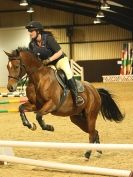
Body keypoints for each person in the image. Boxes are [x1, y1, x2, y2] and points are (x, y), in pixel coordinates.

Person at [25, 21, 84, 106]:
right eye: (29, 31)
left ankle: (76, 96)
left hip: (60, 60)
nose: (30, 33)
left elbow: (59, 52)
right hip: (48, 64)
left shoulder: (48, 39)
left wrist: (49, 59)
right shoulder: (32, 45)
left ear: (38, 31)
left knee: (67, 73)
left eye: (31, 31)